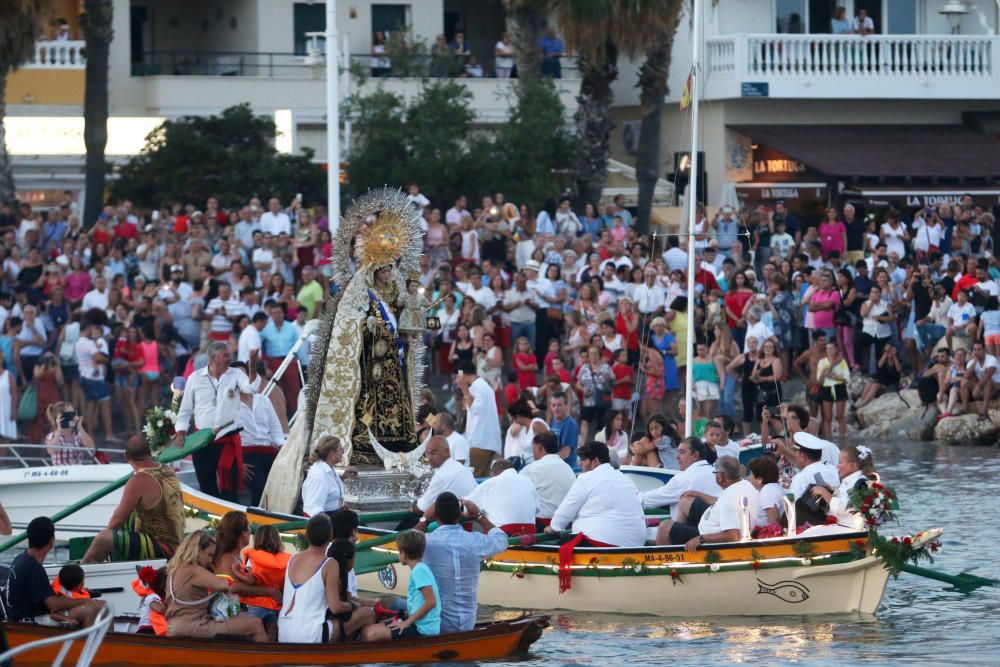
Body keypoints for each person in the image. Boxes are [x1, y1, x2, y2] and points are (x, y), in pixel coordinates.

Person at [173, 341, 255, 500]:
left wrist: (252, 366)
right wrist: (180, 432)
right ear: (213, 357)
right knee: (206, 486)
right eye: (226, 355)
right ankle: (215, 522)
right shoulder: (195, 378)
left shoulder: (236, 374)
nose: (230, 358)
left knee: (230, 489)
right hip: (202, 441)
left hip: (227, 440)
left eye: (230, 354)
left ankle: (233, 521)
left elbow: (251, 389)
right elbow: (185, 409)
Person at [82, 436, 185, 563]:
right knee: (129, 518)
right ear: (149, 452)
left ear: (126, 456)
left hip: (164, 548)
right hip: (177, 542)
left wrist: (108, 541)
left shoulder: (138, 480)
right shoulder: (166, 469)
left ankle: (81, 574)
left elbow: (117, 521)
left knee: (103, 538)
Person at [418, 492, 508, 633]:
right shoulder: (475, 541)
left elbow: (406, 544)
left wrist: (424, 520)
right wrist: (479, 516)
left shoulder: (428, 541)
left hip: (438, 623)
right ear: (460, 514)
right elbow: (502, 540)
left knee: (391, 604)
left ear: (434, 514)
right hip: (468, 622)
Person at [163, 530, 267, 641]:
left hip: (174, 625)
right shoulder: (194, 570)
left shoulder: (174, 570)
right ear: (198, 550)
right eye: (209, 555)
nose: (211, 560)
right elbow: (226, 585)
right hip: (196, 625)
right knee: (256, 624)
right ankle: (267, 658)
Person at [4, 516, 106, 625]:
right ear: (51, 541)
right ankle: (86, 642)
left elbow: (45, 596)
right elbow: (53, 604)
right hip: (30, 621)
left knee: (98, 605)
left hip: (21, 617)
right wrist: (86, 600)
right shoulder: (33, 567)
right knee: (93, 609)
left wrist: (79, 594)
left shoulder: (21, 559)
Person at [547, 441, 646, 547]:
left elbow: (565, 512)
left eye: (583, 460)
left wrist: (553, 527)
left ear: (595, 461)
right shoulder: (626, 479)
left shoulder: (586, 478)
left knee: (556, 549)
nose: (580, 464)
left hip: (599, 541)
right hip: (636, 543)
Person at [661, 457, 758, 551]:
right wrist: (697, 494)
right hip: (714, 522)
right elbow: (720, 501)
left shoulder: (729, 500)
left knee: (665, 527)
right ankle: (678, 539)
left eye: (715, 472)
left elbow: (733, 535)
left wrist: (701, 539)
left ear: (720, 476)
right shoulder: (745, 484)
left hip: (709, 539)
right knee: (685, 501)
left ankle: (673, 552)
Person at [234, 360, 285, 506]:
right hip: (246, 454)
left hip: (269, 452)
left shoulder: (263, 400)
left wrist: (283, 448)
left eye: (243, 374)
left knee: (284, 486)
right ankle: (257, 522)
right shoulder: (229, 404)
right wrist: (238, 463)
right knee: (261, 488)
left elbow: (276, 430)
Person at [642, 437, 721, 530]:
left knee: (663, 528)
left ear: (695, 455)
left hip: (692, 535)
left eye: (682, 452)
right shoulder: (719, 474)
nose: (677, 457)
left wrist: (632, 497)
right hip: (720, 529)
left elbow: (647, 500)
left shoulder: (683, 479)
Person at [809, 445, 876, 530]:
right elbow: (843, 497)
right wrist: (830, 491)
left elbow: (844, 508)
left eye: (840, 462)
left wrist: (824, 492)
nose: (837, 466)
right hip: (838, 527)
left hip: (848, 531)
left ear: (852, 465)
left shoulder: (860, 483)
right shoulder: (850, 480)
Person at [465, 459, 538, 536]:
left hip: (503, 533)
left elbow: (465, 505)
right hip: (530, 533)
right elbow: (537, 509)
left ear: (493, 473)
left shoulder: (492, 482)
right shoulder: (528, 482)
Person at [389, 531, 440, 639]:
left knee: (371, 633)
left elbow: (431, 602)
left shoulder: (418, 571)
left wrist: (406, 622)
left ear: (404, 553)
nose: (398, 555)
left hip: (424, 629)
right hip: (420, 624)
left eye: (399, 551)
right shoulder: (421, 568)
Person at [413, 436, 477, 522]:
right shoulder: (462, 468)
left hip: (454, 524)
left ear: (447, 451)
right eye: (427, 454)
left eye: (433, 453)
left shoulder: (441, 476)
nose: (429, 458)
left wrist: (412, 507)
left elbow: (421, 509)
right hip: (467, 521)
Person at [520, 431, 576, 527]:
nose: (533, 454)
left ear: (539, 447)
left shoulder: (531, 469)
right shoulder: (568, 468)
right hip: (567, 524)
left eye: (533, 449)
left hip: (542, 524)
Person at [456, 360, 502, 476]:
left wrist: (464, 389)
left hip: (479, 442)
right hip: (486, 442)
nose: (457, 379)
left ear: (463, 375)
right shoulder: (483, 385)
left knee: (473, 479)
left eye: (458, 376)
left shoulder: (476, 387)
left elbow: (476, 409)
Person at [301, 435, 357, 518]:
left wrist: (342, 478)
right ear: (331, 454)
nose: (343, 452)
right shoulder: (318, 476)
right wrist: (330, 525)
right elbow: (313, 509)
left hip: (335, 515)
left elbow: (328, 487)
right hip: (326, 521)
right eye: (340, 449)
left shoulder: (328, 468)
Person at [788, 431, 840, 501]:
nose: (795, 455)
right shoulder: (833, 469)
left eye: (795, 452)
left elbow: (791, 506)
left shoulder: (800, 479)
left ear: (802, 456)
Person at [816, 341, 850, 445]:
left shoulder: (842, 362)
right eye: (827, 349)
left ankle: (842, 440)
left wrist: (834, 376)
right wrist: (824, 374)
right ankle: (828, 441)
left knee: (840, 416)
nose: (829, 351)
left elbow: (847, 378)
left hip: (839, 387)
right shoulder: (822, 362)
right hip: (826, 388)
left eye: (831, 348)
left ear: (835, 349)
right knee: (827, 417)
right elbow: (819, 380)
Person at [44, 401, 95, 465]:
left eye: (74, 414)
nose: (74, 417)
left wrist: (80, 427)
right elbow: (51, 451)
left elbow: (91, 447)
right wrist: (59, 428)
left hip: (77, 472)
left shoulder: (78, 435)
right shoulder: (52, 436)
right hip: (62, 473)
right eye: (70, 415)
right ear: (60, 417)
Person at [961, 340, 1000, 421]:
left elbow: (988, 376)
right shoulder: (972, 362)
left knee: (987, 381)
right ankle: (964, 409)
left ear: (984, 350)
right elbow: (966, 376)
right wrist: (975, 361)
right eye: (975, 350)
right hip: (983, 387)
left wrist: (977, 387)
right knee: (964, 382)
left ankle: (984, 410)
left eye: (979, 349)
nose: (977, 352)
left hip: (996, 386)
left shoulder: (991, 359)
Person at [503, 400, 548, 466]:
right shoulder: (523, 428)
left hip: (538, 465)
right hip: (526, 465)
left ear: (519, 416)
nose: (514, 422)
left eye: (514, 419)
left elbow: (546, 448)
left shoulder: (536, 424)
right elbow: (512, 432)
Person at [747, 455, 785, 533]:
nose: (749, 477)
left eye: (751, 474)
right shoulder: (770, 488)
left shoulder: (767, 491)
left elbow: (774, 521)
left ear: (759, 479)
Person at [547, 390, 579, 467]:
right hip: (556, 465)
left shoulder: (570, 424)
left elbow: (565, 453)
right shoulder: (554, 422)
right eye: (553, 405)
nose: (556, 408)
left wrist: (546, 462)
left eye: (559, 405)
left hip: (567, 467)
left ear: (567, 405)